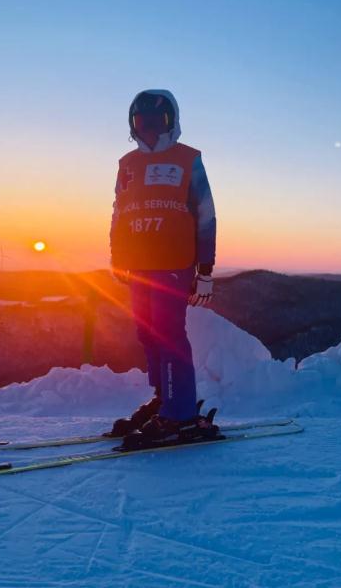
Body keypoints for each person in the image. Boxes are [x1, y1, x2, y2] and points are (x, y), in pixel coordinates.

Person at [108, 89, 218, 446]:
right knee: (148, 333)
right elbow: (118, 213)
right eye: (143, 122)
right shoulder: (127, 164)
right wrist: (116, 257)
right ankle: (164, 399)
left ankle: (180, 414)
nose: (151, 129)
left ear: (172, 121)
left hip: (175, 264)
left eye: (159, 121)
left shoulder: (188, 160)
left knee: (168, 335)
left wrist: (205, 270)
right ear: (133, 125)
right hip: (138, 266)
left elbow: (206, 215)